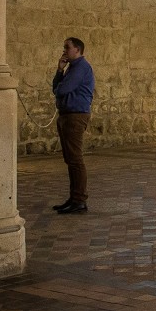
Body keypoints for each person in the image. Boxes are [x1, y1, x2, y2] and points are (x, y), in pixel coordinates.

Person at [51, 36, 94, 214]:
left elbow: (62, 90)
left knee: (75, 159)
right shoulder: (71, 68)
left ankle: (80, 200)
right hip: (67, 115)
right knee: (70, 159)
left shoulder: (81, 68)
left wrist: (59, 86)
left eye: (67, 47)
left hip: (76, 116)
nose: (64, 51)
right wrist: (60, 71)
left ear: (77, 49)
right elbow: (56, 88)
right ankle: (74, 197)